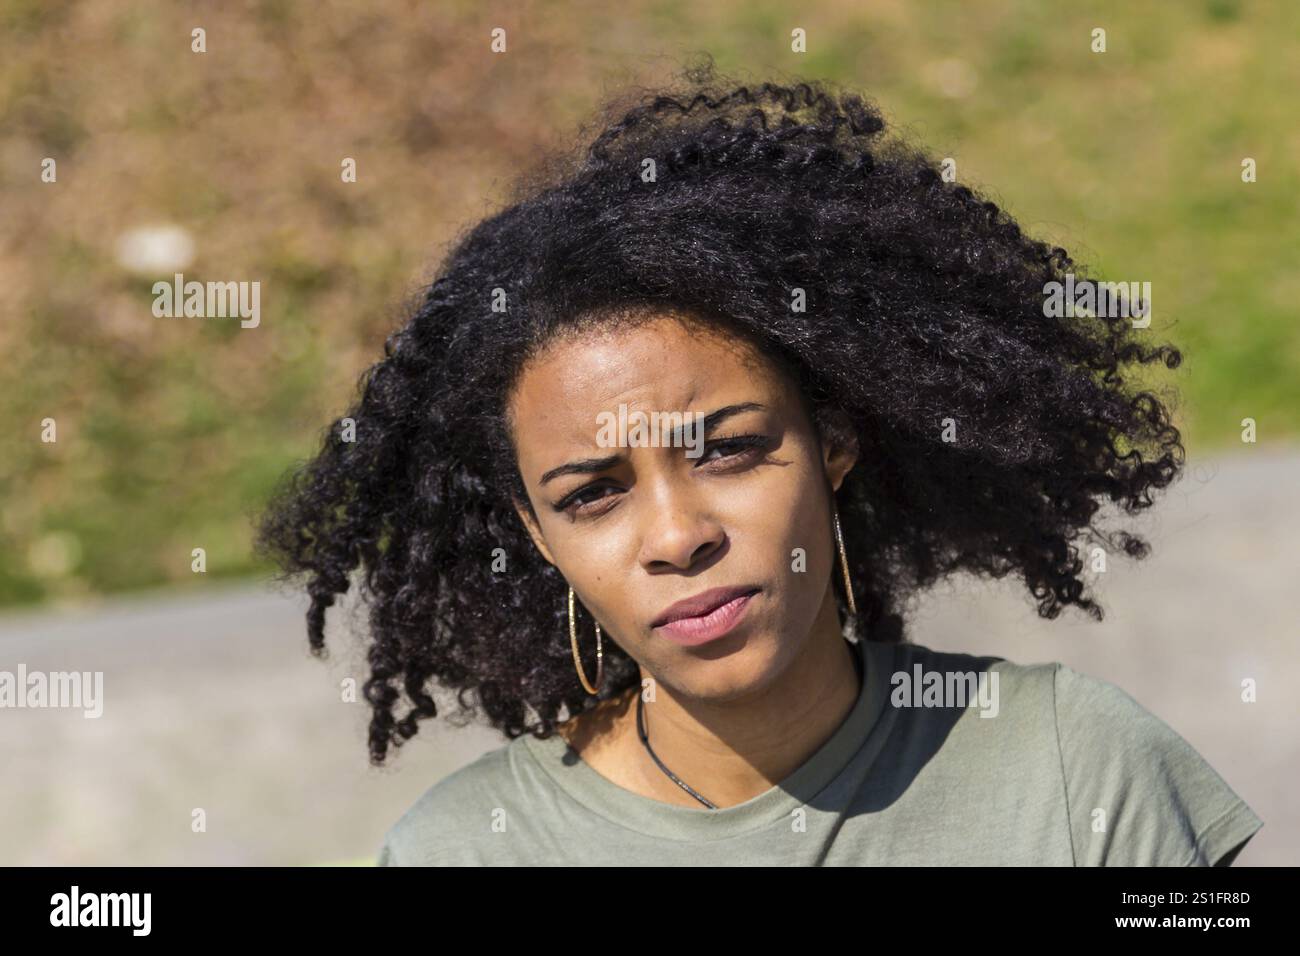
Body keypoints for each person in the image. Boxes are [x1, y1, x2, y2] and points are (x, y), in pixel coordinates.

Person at [254, 60, 1263, 866]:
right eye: (592, 494)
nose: (678, 533)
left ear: (833, 441)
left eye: (730, 449)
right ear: (538, 536)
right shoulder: (463, 851)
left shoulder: (1073, 764)